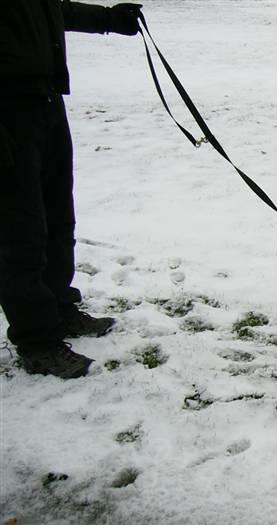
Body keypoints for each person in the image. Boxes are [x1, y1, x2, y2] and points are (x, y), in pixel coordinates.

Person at [0, 1, 143, 379]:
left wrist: (109, 19)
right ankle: (37, 342)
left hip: (45, 103)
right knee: (21, 236)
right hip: (8, 116)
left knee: (58, 219)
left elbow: (53, 11)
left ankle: (60, 309)